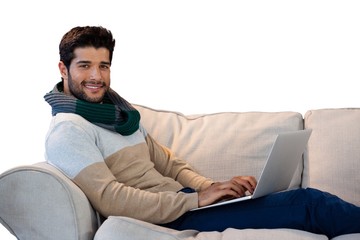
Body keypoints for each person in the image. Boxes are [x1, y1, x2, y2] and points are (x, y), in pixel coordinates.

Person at [44, 26, 360, 239]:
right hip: (168, 218)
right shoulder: (68, 131)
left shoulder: (118, 113)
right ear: (63, 69)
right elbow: (111, 199)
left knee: (303, 202)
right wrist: (196, 201)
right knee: (310, 204)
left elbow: (167, 162)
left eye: (104, 66)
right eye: (85, 66)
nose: (97, 77)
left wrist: (213, 188)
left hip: (182, 204)